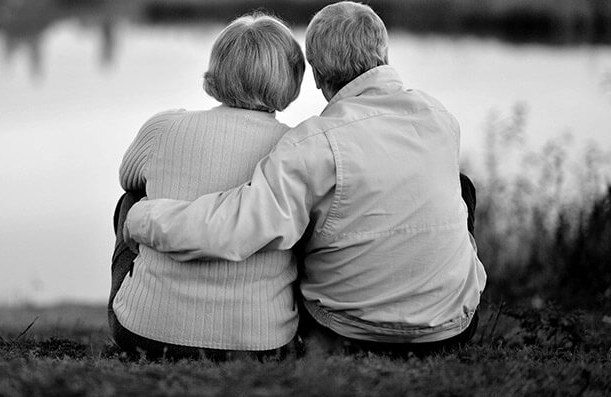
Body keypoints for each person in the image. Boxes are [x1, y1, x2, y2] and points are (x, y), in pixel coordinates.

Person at [124, 1, 487, 356]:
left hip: (347, 331)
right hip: (452, 328)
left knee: (302, 214)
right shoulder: (440, 118)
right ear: (385, 54)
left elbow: (240, 226)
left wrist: (142, 216)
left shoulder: (314, 142)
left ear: (316, 75)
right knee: (460, 186)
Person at [109, 13, 306, 360]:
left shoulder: (164, 127)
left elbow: (128, 177)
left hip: (145, 334)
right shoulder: (297, 148)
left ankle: (150, 300)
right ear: (291, 78)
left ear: (217, 69)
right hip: (262, 343)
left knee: (133, 198)